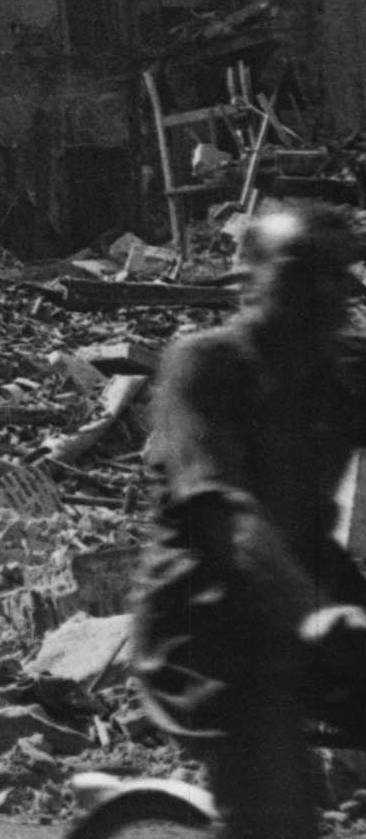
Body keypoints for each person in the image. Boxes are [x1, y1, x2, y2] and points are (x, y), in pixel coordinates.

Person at [133, 200, 366, 839]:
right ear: (256, 279)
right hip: (208, 620)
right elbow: (225, 514)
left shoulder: (345, 373)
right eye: (302, 275)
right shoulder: (204, 366)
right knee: (276, 812)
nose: (324, 295)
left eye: (337, 277)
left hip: (320, 595)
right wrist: (314, 612)